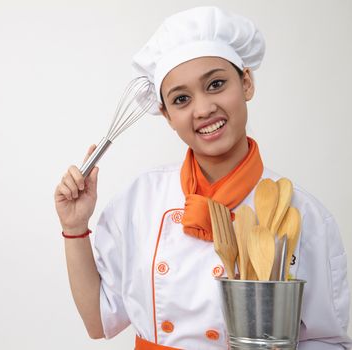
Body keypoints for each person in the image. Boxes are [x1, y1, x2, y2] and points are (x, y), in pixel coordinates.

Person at [54, 6, 352, 349]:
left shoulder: (302, 214)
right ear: (166, 115)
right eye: (181, 99)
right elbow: (97, 321)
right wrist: (75, 227)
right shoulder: (140, 199)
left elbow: (327, 341)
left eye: (216, 84)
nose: (203, 108)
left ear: (247, 82)